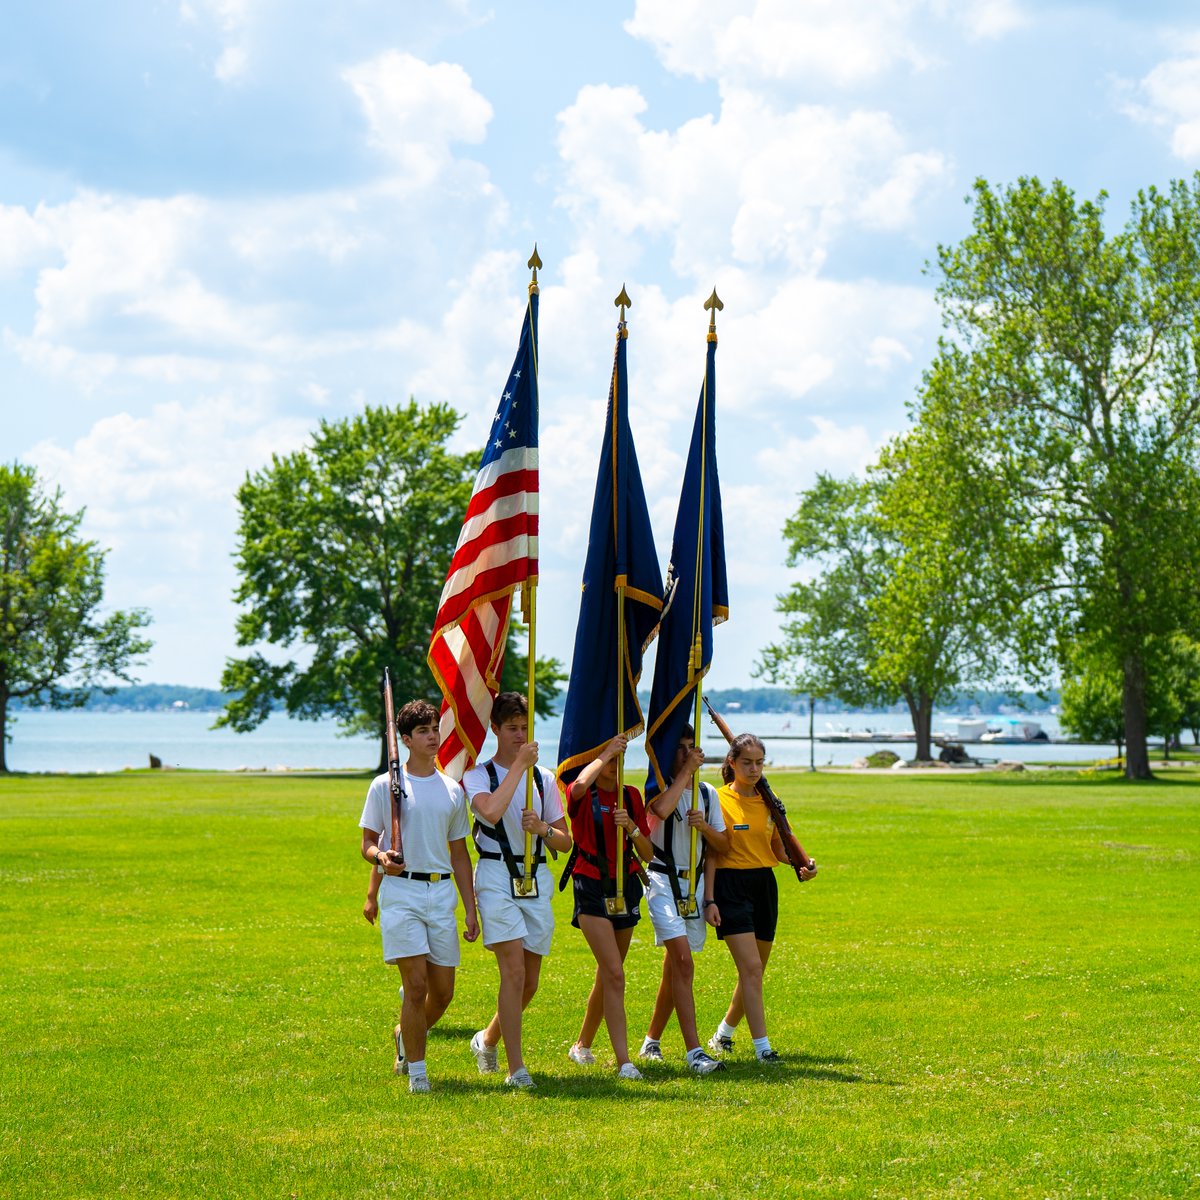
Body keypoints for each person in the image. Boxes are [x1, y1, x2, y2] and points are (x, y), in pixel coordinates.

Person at [358, 698, 479, 1094]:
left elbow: (460, 853)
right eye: (423, 731)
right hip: (402, 893)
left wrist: (471, 908)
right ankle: (418, 1072)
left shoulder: (451, 790)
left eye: (434, 729)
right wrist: (381, 858)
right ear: (406, 740)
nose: (432, 736)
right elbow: (367, 843)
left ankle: (404, 1036)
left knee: (442, 993)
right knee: (415, 986)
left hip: (441, 893)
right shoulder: (384, 786)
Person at [461, 692, 571, 1091]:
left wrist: (542, 829)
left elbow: (564, 841)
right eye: (512, 728)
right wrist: (519, 766)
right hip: (494, 876)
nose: (520, 735)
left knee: (531, 982)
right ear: (496, 729)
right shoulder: (479, 775)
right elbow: (489, 812)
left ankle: (487, 1040)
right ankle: (516, 1068)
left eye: (525, 728)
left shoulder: (544, 778)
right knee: (513, 971)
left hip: (536, 878)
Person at [637, 725, 729, 1075]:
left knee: (675, 969)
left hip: (695, 888)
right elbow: (659, 812)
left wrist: (710, 899)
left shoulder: (708, 795)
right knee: (683, 963)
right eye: (680, 749)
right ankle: (695, 1052)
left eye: (693, 747)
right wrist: (685, 772)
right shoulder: (659, 788)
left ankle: (651, 1041)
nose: (688, 754)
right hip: (661, 880)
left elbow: (721, 848)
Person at [563, 734, 652, 1080]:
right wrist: (605, 753)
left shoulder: (631, 796)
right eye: (610, 761)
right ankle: (624, 1061)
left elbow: (647, 853)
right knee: (614, 973)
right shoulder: (583, 791)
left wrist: (630, 827)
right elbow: (578, 787)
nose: (615, 767)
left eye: (619, 761)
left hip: (626, 885)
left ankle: (582, 1044)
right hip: (591, 883)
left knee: (609, 972)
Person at [705, 732, 788, 1064]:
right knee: (751, 968)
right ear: (731, 763)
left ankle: (723, 1034)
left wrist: (802, 863)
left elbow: (779, 848)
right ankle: (763, 1049)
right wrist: (710, 899)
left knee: (755, 971)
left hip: (764, 885)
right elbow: (712, 853)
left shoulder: (769, 798)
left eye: (759, 763)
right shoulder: (717, 799)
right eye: (747, 763)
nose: (754, 770)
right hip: (730, 885)